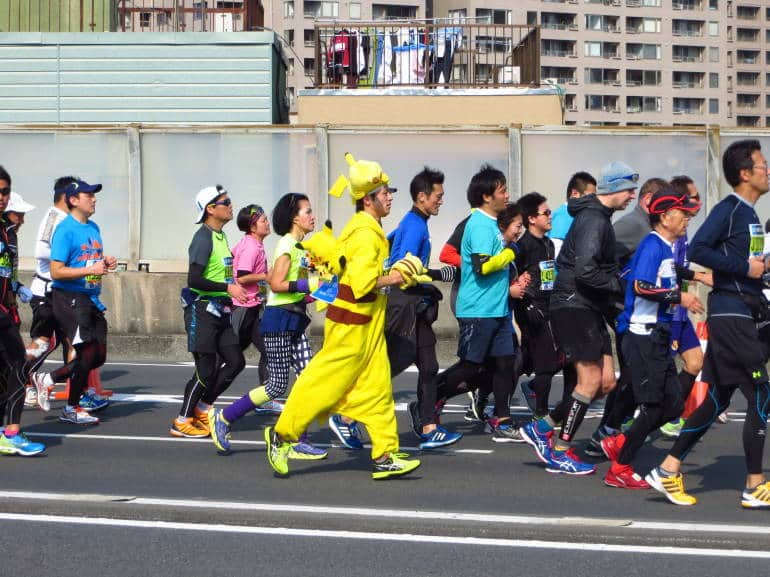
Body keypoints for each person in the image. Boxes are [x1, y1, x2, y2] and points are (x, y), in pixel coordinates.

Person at [264, 152, 421, 480]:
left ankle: (384, 455)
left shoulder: (369, 229)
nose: (390, 197)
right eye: (384, 193)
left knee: (378, 389)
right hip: (352, 324)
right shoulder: (365, 234)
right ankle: (281, 436)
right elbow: (364, 284)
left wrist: (398, 271)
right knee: (322, 385)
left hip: (367, 324)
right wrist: (397, 276)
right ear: (368, 200)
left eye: (390, 191)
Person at [646, 139, 770, 508]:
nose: (768, 170)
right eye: (763, 165)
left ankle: (668, 469)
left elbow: (744, 263)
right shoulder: (730, 208)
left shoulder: (750, 216)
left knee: (717, 397)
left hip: (743, 308)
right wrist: (744, 267)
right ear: (745, 174)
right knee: (762, 392)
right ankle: (754, 483)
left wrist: (760, 266)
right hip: (730, 313)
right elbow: (700, 248)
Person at [521, 161, 637, 475]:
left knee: (606, 382)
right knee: (588, 381)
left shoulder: (601, 218)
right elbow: (586, 271)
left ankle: (541, 427)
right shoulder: (594, 221)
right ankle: (560, 450)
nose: (632, 196)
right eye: (629, 189)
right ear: (613, 188)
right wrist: (619, 286)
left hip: (589, 306)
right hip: (573, 304)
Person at [209, 193, 326, 459]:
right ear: (294, 218)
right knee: (276, 386)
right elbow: (277, 284)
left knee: (309, 379)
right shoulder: (286, 245)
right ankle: (224, 418)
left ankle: (298, 439)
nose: (312, 216)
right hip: (277, 321)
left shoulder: (301, 248)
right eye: (307, 211)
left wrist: (324, 288)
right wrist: (310, 285)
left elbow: (301, 291)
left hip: (295, 319)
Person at [600, 187, 702, 489]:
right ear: (664, 216)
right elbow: (642, 286)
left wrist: (692, 281)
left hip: (658, 335)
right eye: (682, 213)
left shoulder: (667, 247)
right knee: (654, 406)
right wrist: (678, 297)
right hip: (641, 336)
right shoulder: (652, 245)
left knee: (673, 405)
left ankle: (618, 442)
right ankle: (619, 468)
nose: (687, 218)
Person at [426, 165, 521, 443]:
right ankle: (430, 396)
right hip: (478, 311)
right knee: (470, 366)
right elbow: (481, 267)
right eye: (502, 191)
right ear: (486, 196)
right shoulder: (478, 224)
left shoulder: (493, 224)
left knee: (505, 364)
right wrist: (509, 253)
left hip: (498, 308)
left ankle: (502, 419)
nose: (507, 195)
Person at [385, 166, 461, 450]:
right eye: (437, 196)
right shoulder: (415, 225)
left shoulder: (414, 222)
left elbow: (390, 243)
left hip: (416, 304)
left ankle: (428, 426)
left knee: (429, 366)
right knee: (391, 365)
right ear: (421, 197)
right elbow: (402, 268)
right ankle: (346, 416)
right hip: (403, 305)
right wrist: (440, 275)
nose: (441, 200)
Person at [171, 185, 247, 438]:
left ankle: (203, 408)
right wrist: (229, 288)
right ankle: (182, 420)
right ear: (211, 209)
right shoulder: (202, 238)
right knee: (205, 370)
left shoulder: (221, 236)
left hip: (221, 310)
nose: (231, 205)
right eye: (226, 202)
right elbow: (194, 279)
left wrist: (231, 291)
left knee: (236, 361)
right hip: (202, 310)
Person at [49, 178, 118, 425]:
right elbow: (56, 271)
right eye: (89, 196)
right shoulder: (65, 229)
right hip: (69, 297)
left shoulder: (93, 228)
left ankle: (48, 379)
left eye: (94, 195)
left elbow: (90, 262)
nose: (94, 199)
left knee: (98, 355)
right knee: (86, 352)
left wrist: (105, 263)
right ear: (74, 200)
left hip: (90, 298)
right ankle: (71, 407)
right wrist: (89, 270)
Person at [659, 175, 714, 437]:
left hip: (680, 311)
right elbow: (670, 268)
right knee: (661, 372)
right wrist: (699, 276)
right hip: (668, 312)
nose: (699, 202)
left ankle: (671, 415)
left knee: (695, 362)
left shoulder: (684, 229)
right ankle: (626, 420)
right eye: (694, 197)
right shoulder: (668, 233)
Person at [0, 174, 46, 456]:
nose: (2, 196)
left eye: (5, 191)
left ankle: (6, 432)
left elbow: (6, 273)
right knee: (19, 366)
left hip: (6, 311)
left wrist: (18, 290)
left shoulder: (8, 233)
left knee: (8, 371)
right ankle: (12, 431)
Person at [25, 178, 78, 412]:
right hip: (45, 293)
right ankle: (22, 380)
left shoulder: (67, 219)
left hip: (61, 292)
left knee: (72, 339)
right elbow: (41, 250)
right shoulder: (54, 217)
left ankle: (77, 392)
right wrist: (69, 257)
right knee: (43, 342)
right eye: (78, 194)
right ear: (68, 197)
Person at [515, 192, 560, 421]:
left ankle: (524, 386)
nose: (550, 216)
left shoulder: (548, 244)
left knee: (529, 359)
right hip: (530, 308)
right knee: (546, 362)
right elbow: (513, 277)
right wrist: (526, 303)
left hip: (548, 306)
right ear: (531, 218)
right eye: (546, 213)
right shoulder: (523, 246)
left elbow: (548, 276)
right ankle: (541, 413)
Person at [549, 171, 596, 257]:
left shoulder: (576, 215)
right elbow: (555, 255)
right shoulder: (563, 217)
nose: (593, 201)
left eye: (594, 197)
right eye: (590, 196)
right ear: (574, 193)